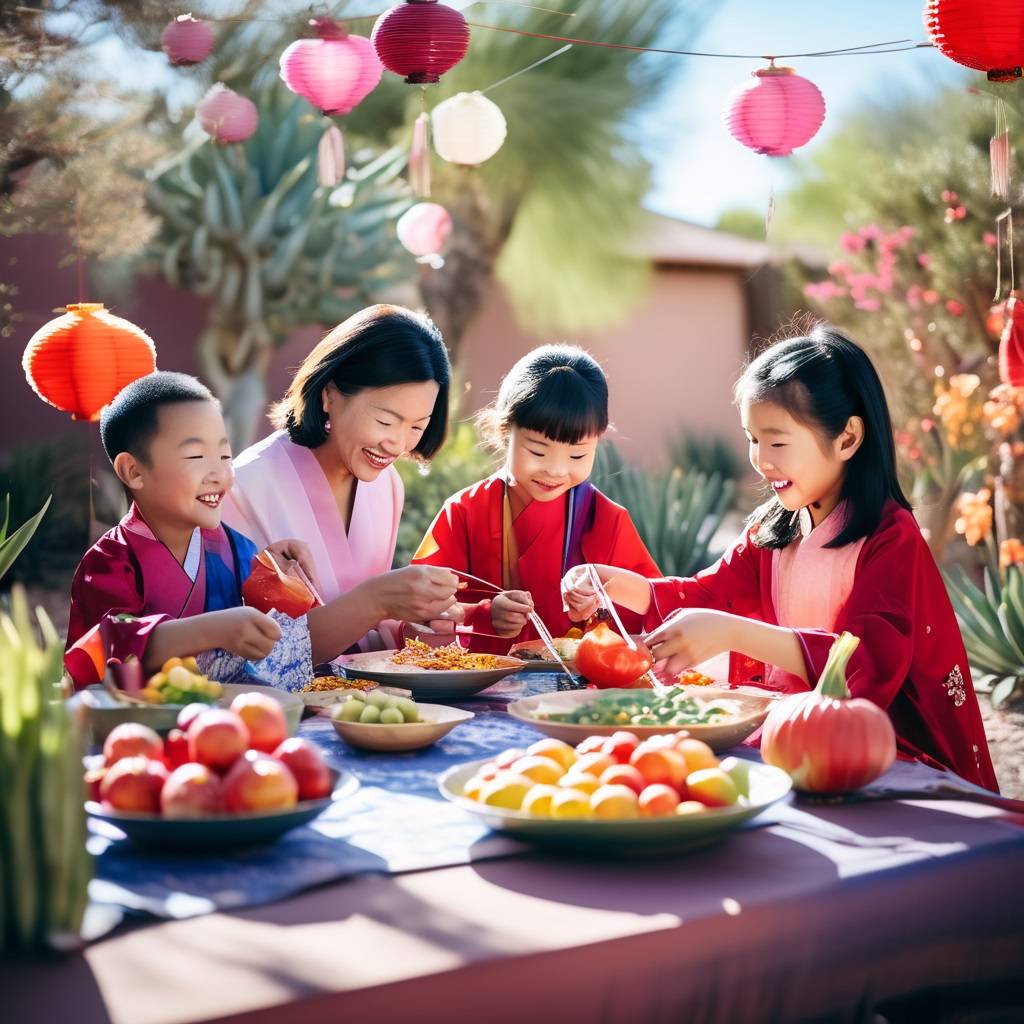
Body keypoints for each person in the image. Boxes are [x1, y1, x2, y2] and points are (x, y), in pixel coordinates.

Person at [562, 325, 997, 790]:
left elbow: (865, 665)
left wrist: (732, 632)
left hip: (884, 753)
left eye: (778, 442)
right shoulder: (775, 528)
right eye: (752, 439)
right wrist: (615, 584)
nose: (760, 460)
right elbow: (710, 593)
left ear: (848, 439)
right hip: (789, 734)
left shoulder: (892, 539)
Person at [64, 371, 459, 690]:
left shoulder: (231, 548)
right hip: (141, 731)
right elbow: (104, 645)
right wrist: (210, 629)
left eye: (224, 453)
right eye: (197, 456)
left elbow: (281, 633)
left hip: (226, 726)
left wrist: (280, 575)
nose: (220, 473)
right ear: (134, 471)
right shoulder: (110, 560)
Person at [222, 304, 459, 650]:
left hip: (371, 697)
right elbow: (247, 644)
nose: (397, 442)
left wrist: (419, 623)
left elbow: (375, 631)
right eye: (385, 421)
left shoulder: (387, 484)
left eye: (417, 427)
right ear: (330, 394)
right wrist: (375, 600)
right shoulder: (246, 484)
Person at [412, 344, 660, 653]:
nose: (556, 470)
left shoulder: (606, 520)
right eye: (538, 451)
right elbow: (419, 615)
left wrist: (598, 609)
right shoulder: (464, 511)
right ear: (504, 432)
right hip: (472, 690)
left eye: (577, 454)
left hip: (577, 695)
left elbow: (654, 614)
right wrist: (482, 614)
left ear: (599, 441)